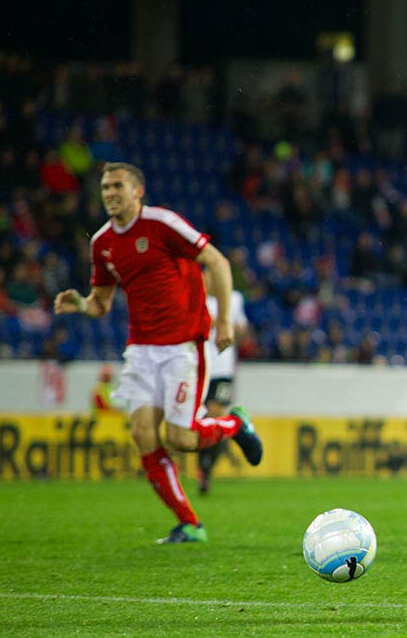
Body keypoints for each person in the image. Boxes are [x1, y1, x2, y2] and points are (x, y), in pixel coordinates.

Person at [54, 162, 263, 544]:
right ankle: (190, 523)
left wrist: (225, 323)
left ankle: (235, 424)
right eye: (104, 187)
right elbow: (101, 303)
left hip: (183, 346)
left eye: (117, 185)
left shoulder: (162, 224)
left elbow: (216, 261)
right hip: (142, 350)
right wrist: (81, 305)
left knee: (182, 438)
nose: (109, 193)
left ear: (138, 191)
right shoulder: (102, 243)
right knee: (143, 433)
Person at [197, 267, 250, 494]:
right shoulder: (197, 299)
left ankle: (207, 468)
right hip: (199, 368)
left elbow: (244, 331)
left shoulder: (234, 299)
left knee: (216, 415)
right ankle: (203, 466)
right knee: (203, 420)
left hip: (223, 370)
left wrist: (238, 328)